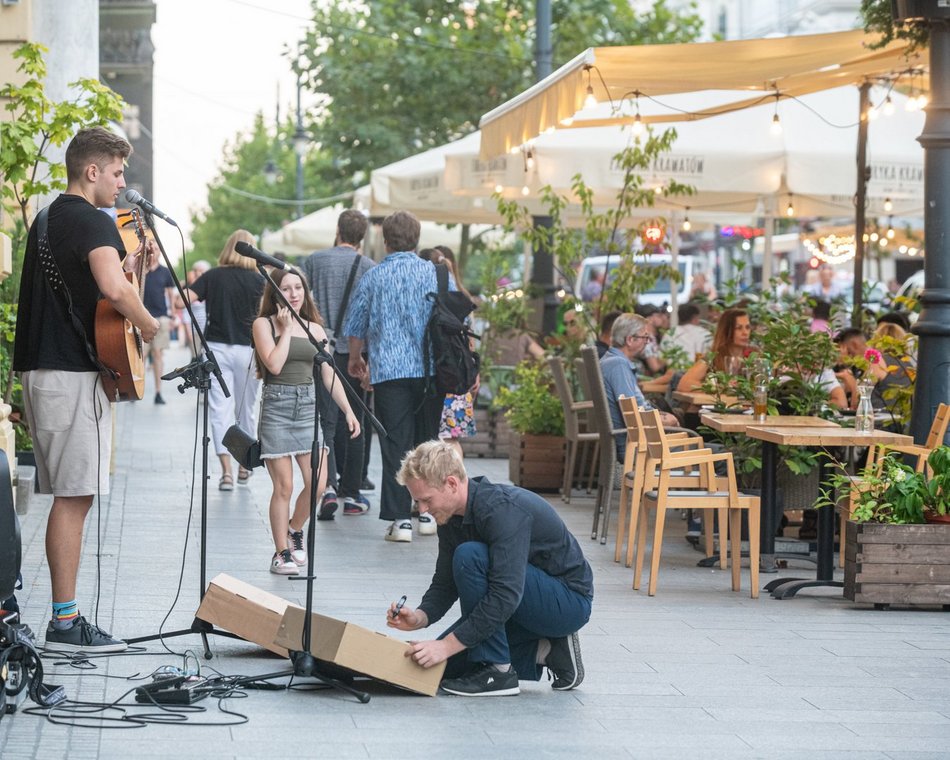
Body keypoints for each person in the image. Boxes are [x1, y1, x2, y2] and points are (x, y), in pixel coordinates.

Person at [13, 126, 160, 653]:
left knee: (72, 493)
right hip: (69, 374)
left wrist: (130, 266)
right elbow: (113, 290)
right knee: (75, 496)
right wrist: (149, 324)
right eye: (116, 172)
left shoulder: (48, 217)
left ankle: (65, 616)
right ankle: (65, 621)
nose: (122, 183)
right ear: (91, 170)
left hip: (44, 369)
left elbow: (89, 291)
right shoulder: (93, 220)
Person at [387, 441, 593, 697]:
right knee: (442, 666)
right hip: (522, 600)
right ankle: (549, 651)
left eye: (426, 500)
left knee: (470, 556)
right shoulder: (449, 516)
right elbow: (445, 583)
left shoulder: (501, 511)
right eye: (418, 502)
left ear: (451, 483)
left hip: (567, 602)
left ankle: (498, 670)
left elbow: (505, 594)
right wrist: (420, 616)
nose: (422, 510)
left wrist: (447, 645)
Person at [343, 210, 444, 543]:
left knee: (396, 445)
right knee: (428, 442)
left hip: (389, 373)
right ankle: (428, 513)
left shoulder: (374, 276)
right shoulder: (436, 274)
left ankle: (401, 521)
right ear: (417, 240)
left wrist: (356, 359)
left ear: (385, 241)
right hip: (431, 370)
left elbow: (355, 325)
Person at [253, 267, 360, 574]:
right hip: (277, 407)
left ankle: (294, 529)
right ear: (275, 293)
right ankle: (281, 554)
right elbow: (273, 365)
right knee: (284, 486)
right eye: (286, 288)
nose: (294, 294)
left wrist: (348, 410)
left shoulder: (316, 329)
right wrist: (287, 329)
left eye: (298, 287)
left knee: (318, 483)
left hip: (307, 408)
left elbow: (328, 374)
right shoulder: (263, 324)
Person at [299, 209, 374, 518]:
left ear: (338, 231)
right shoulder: (369, 266)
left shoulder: (315, 261)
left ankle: (327, 486)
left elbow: (301, 299)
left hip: (321, 348)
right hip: (357, 352)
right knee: (355, 420)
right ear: (362, 236)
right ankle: (352, 493)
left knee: (325, 420)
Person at [186, 230, 265, 490]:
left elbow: (181, 301)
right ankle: (244, 465)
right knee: (245, 410)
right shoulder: (260, 280)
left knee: (220, 409)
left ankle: (226, 473)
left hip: (217, 349)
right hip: (249, 351)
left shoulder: (213, 276)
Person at [420, 246, 479, 459]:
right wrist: (474, 373)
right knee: (452, 438)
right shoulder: (462, 297)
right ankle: (458, 476)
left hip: (438, 375)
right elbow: (469, 341)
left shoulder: (428, 296)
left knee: (433, 439)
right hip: (459, 375)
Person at [600, 313, 680, 460]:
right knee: (716, 454)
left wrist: (661, 416)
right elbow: (633, 417)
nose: (647, 342)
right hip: (638, 449)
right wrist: (666, 420)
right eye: (645, 337)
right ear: (630, 340)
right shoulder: (618, 365)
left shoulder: (610, 359)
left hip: (636, 443)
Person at [142, 257, 175, 404]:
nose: (153, 251)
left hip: (161, 317)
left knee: (158, 354)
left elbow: (171, 294)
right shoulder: (142, 270)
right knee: (141, 355)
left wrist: (172, 315)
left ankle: (158, 391)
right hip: (142, 317)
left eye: (156, 248)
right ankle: (137, 387)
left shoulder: (165, 271)